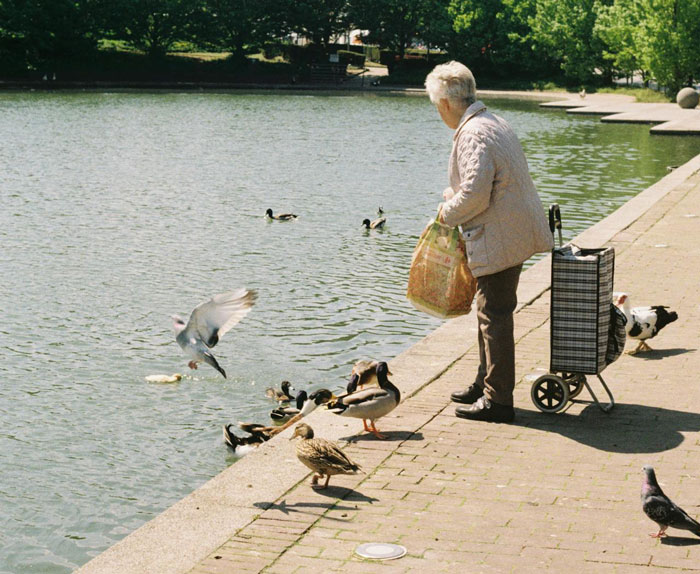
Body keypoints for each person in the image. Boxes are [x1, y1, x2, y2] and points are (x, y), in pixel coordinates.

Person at [425, 61, 553, 423]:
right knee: (489, 311)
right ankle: (485, 382)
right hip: (514, 229)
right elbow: (489, 182)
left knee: (493, 315)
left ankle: (498, 402)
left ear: (447, 103)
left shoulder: (472, 133)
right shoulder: (492, 122)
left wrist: (445, 213)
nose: (439, 113)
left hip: (501, 234)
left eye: (437, 106)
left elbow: (475, 195)